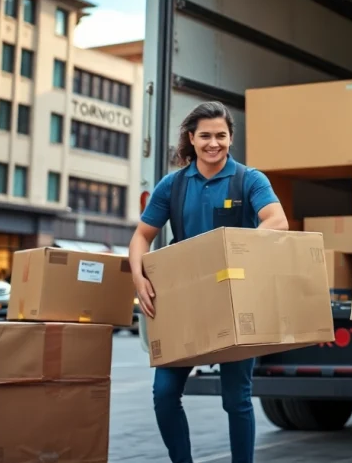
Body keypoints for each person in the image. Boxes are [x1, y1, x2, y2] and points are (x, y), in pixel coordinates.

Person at [127, 101, 288, 463]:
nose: (213, 143)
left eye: (220, 135)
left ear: (231, 138)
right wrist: (138, 278)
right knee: (165, 393)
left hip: (235, 301)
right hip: (184, 304)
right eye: (205, 136)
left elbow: (277, 221)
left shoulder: (249, 180)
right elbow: (141, 236)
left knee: (237, 399)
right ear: (191, 138)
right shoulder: (173, 185)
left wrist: (237, 250)